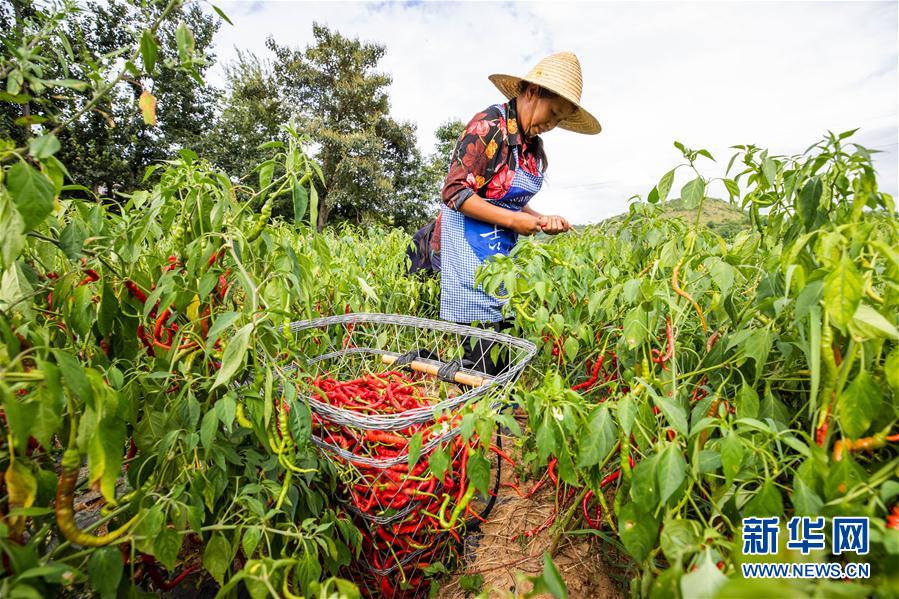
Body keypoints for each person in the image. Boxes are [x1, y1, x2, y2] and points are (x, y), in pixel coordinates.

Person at [430, 51, 602, 375]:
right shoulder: (489, 127)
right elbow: (454, 192)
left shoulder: (531, 146)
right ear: (532, 92)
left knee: (505, 342)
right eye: (553, 113)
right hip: (469, 252)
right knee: (481, 351)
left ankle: (498, 413)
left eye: (560, 120)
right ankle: (479, 418)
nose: (552, 125)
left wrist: (537, 218)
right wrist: (514, 221)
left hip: (500, 255)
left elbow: (508, 196)